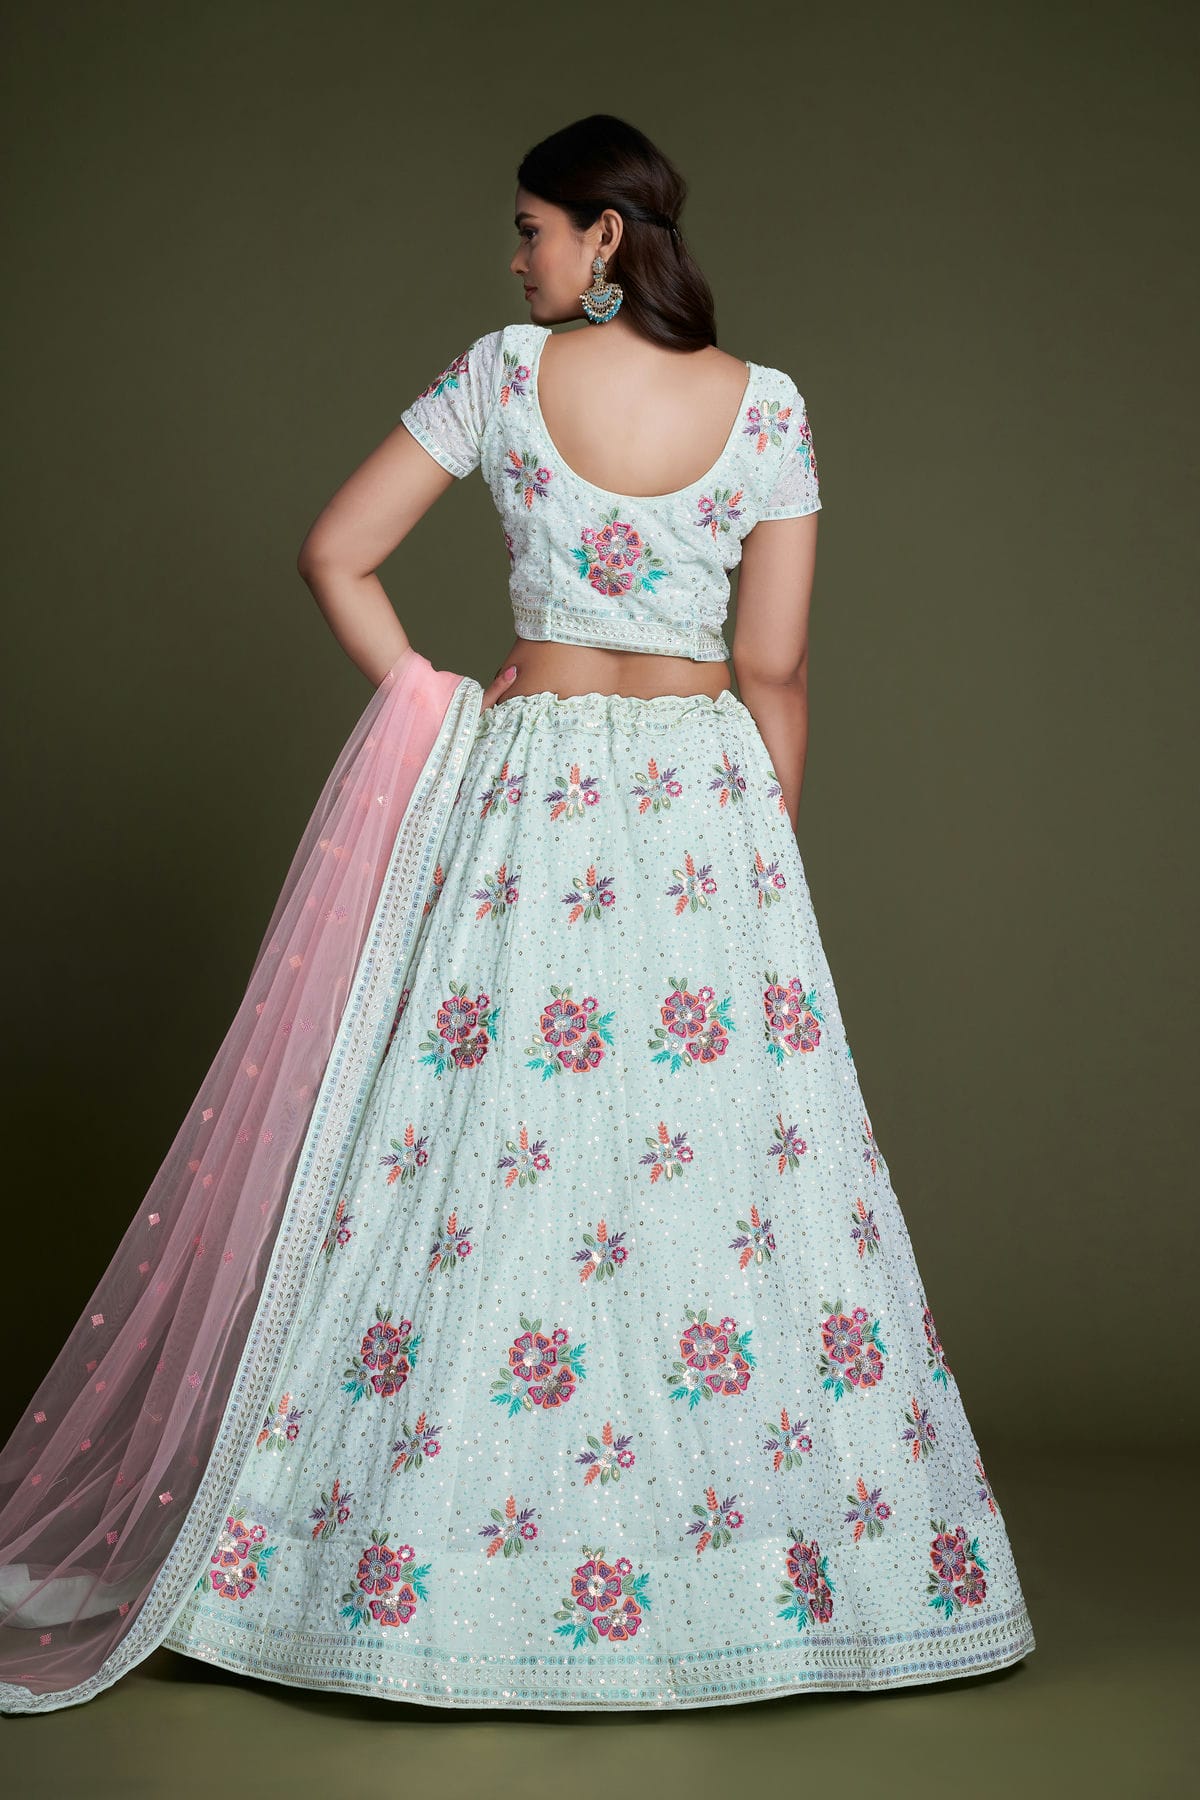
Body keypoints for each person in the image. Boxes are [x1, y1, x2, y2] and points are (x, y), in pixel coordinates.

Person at [0, 114, 1034, 1715]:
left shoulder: (502, 375)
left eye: (534, 229)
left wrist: (434, 708)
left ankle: (407, 1576)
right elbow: (775, 669)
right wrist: (760, 856)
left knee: (484, 1156)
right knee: (731, 1170)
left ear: (605, 237)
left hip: (533, 786)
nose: (516, 258)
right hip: (706, 807)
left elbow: (334, 554)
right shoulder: (769, 404)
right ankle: (770, 1584)